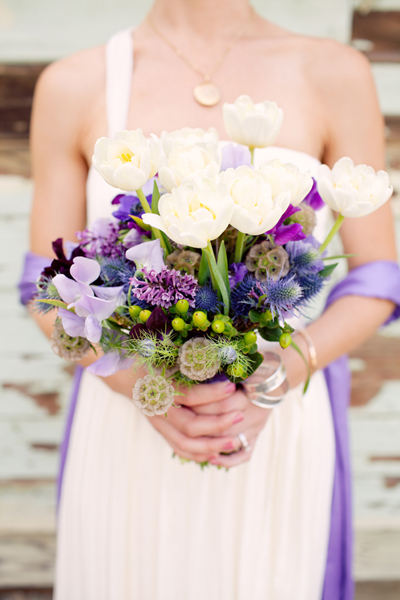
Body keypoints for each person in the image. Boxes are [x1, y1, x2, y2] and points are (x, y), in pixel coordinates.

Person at [23, 1, 400, 598]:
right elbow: (43, 287)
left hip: (273, 422)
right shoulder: (75, 82)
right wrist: (146, 390)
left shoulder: (334, 72)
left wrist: (279, 371)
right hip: (130, 419)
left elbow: (379, 278)